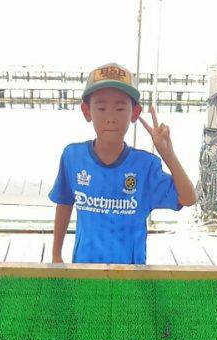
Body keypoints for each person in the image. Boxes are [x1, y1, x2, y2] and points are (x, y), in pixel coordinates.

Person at [49, 63, 196, 265]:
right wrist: (56, 255)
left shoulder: (146, 166)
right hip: (84, 271)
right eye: (101, 108)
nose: (110, 118)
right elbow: (64, 202)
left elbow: (188, 198)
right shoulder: (72, 157)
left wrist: (167, 154)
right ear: (86, 111)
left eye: (120, 108)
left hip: (131, 276)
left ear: (135, 113)